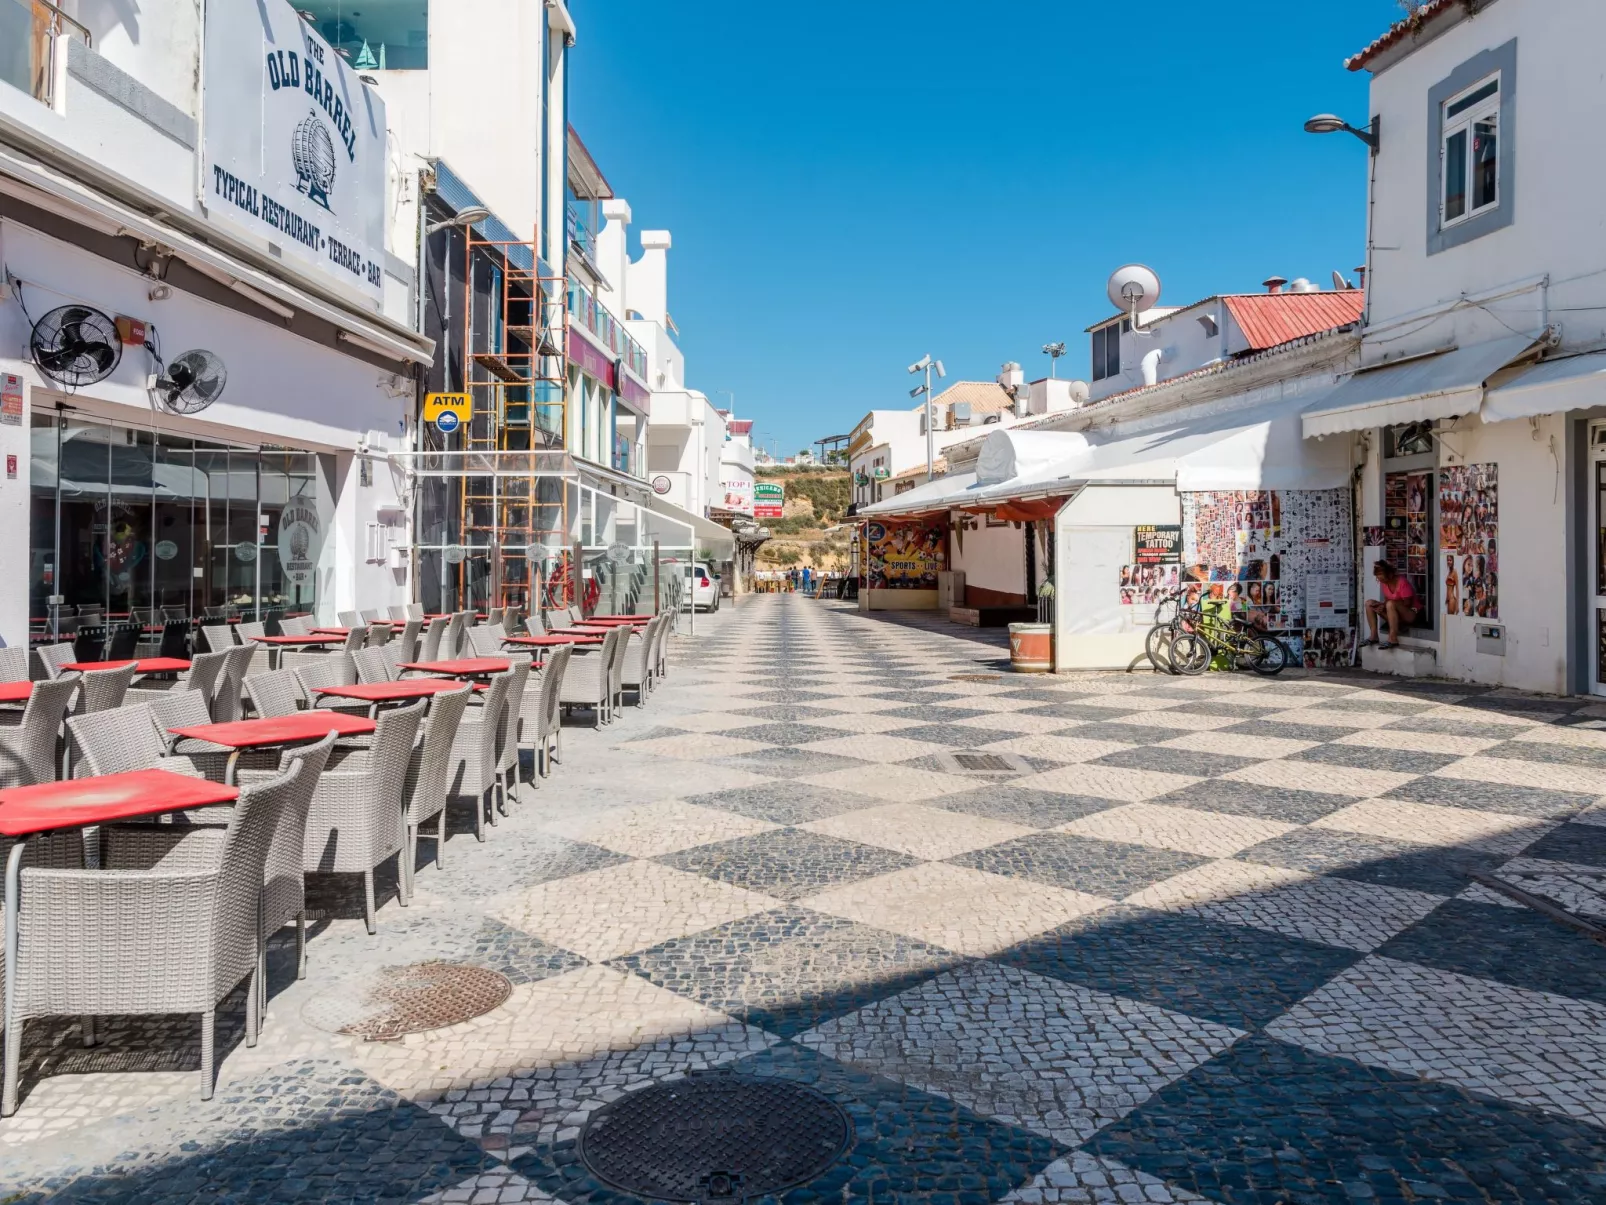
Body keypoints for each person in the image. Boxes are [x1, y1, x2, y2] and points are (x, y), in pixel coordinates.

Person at [1362, 560, 1417, 649]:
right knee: (1369, 604)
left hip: (1409, 614)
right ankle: (1373, 636)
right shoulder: (1385, 583)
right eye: (1379, 579)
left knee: (1390, 604)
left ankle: (1393, 638)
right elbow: (1387, 600)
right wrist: (1381, 606)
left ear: (1390, 574)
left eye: (1382, 579)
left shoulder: (1402, 582)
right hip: (1395, 615)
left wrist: (1386, 605)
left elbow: (1407, 603)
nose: (1381, 581)